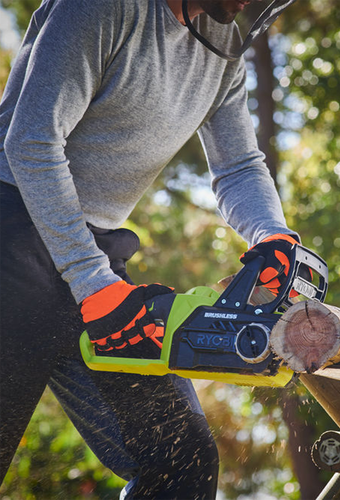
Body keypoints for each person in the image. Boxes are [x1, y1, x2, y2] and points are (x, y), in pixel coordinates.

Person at [0, 0, 313, 497]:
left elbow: (238, 166)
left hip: (94, 256)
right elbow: (31, 142)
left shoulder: (222, 47)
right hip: (12, 235)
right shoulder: (102, 8)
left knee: (181, 461)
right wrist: (92, 282)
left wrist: (271, 233)